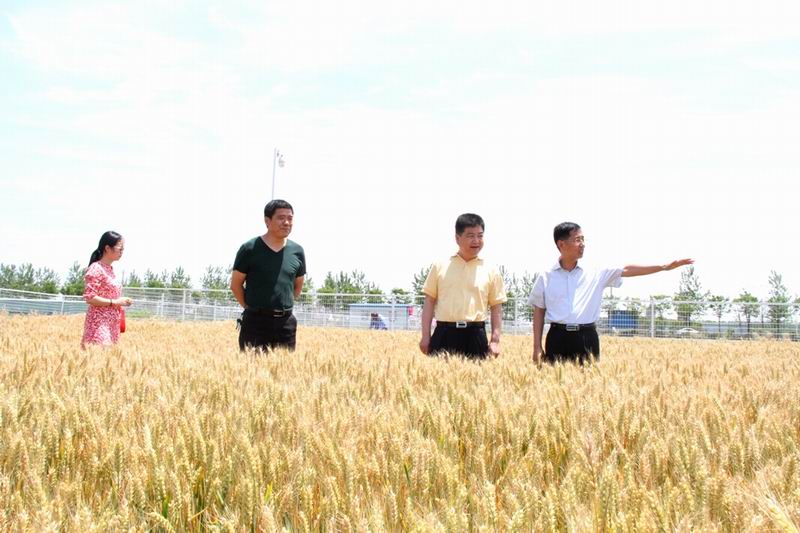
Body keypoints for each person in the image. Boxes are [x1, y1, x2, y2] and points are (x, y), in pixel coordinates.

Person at [529, 222, 693, 365]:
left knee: (589, 384)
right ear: (561, 244)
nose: (583, 244)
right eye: (578, 240)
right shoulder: (546, 276)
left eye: (583, 239)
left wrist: (663, 267)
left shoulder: (596, 272)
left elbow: (627, 269)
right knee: (556, 384)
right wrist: (537, 346)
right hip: (557, 337)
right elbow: (539, 310)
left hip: (586, 337)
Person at [419, 213, 507, 359]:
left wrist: (495, 340)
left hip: (476, 335)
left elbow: (496, 307)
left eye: (480, 236)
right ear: (457, 238)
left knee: (477, 374)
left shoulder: (491, 270)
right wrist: (425, 336)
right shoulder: (440, 266)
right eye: (470, 236)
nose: (476, 241)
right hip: (444, 334)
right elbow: (429, 302)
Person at [231, 199, 306, 352]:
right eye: (281, 218)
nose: (286, 222)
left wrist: (281, 306)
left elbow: (297, 287)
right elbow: (235, 285)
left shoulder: (297, 251)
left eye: (290, 218)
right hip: (255, 323)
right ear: (267, 220)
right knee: (251, 365)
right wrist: (250, 308)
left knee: (285, 366)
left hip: (286, 325)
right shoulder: (249, 249)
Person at [81, 231, 133, 348]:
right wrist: (115, 302)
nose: (122, 252)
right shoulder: (96, 268)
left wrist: (122, 301)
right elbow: (90, 298)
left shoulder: (109, 269)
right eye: (120, 249)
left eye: (123, 249)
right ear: (108, 248)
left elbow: (108, 295)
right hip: (99, 324)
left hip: (112, 325)